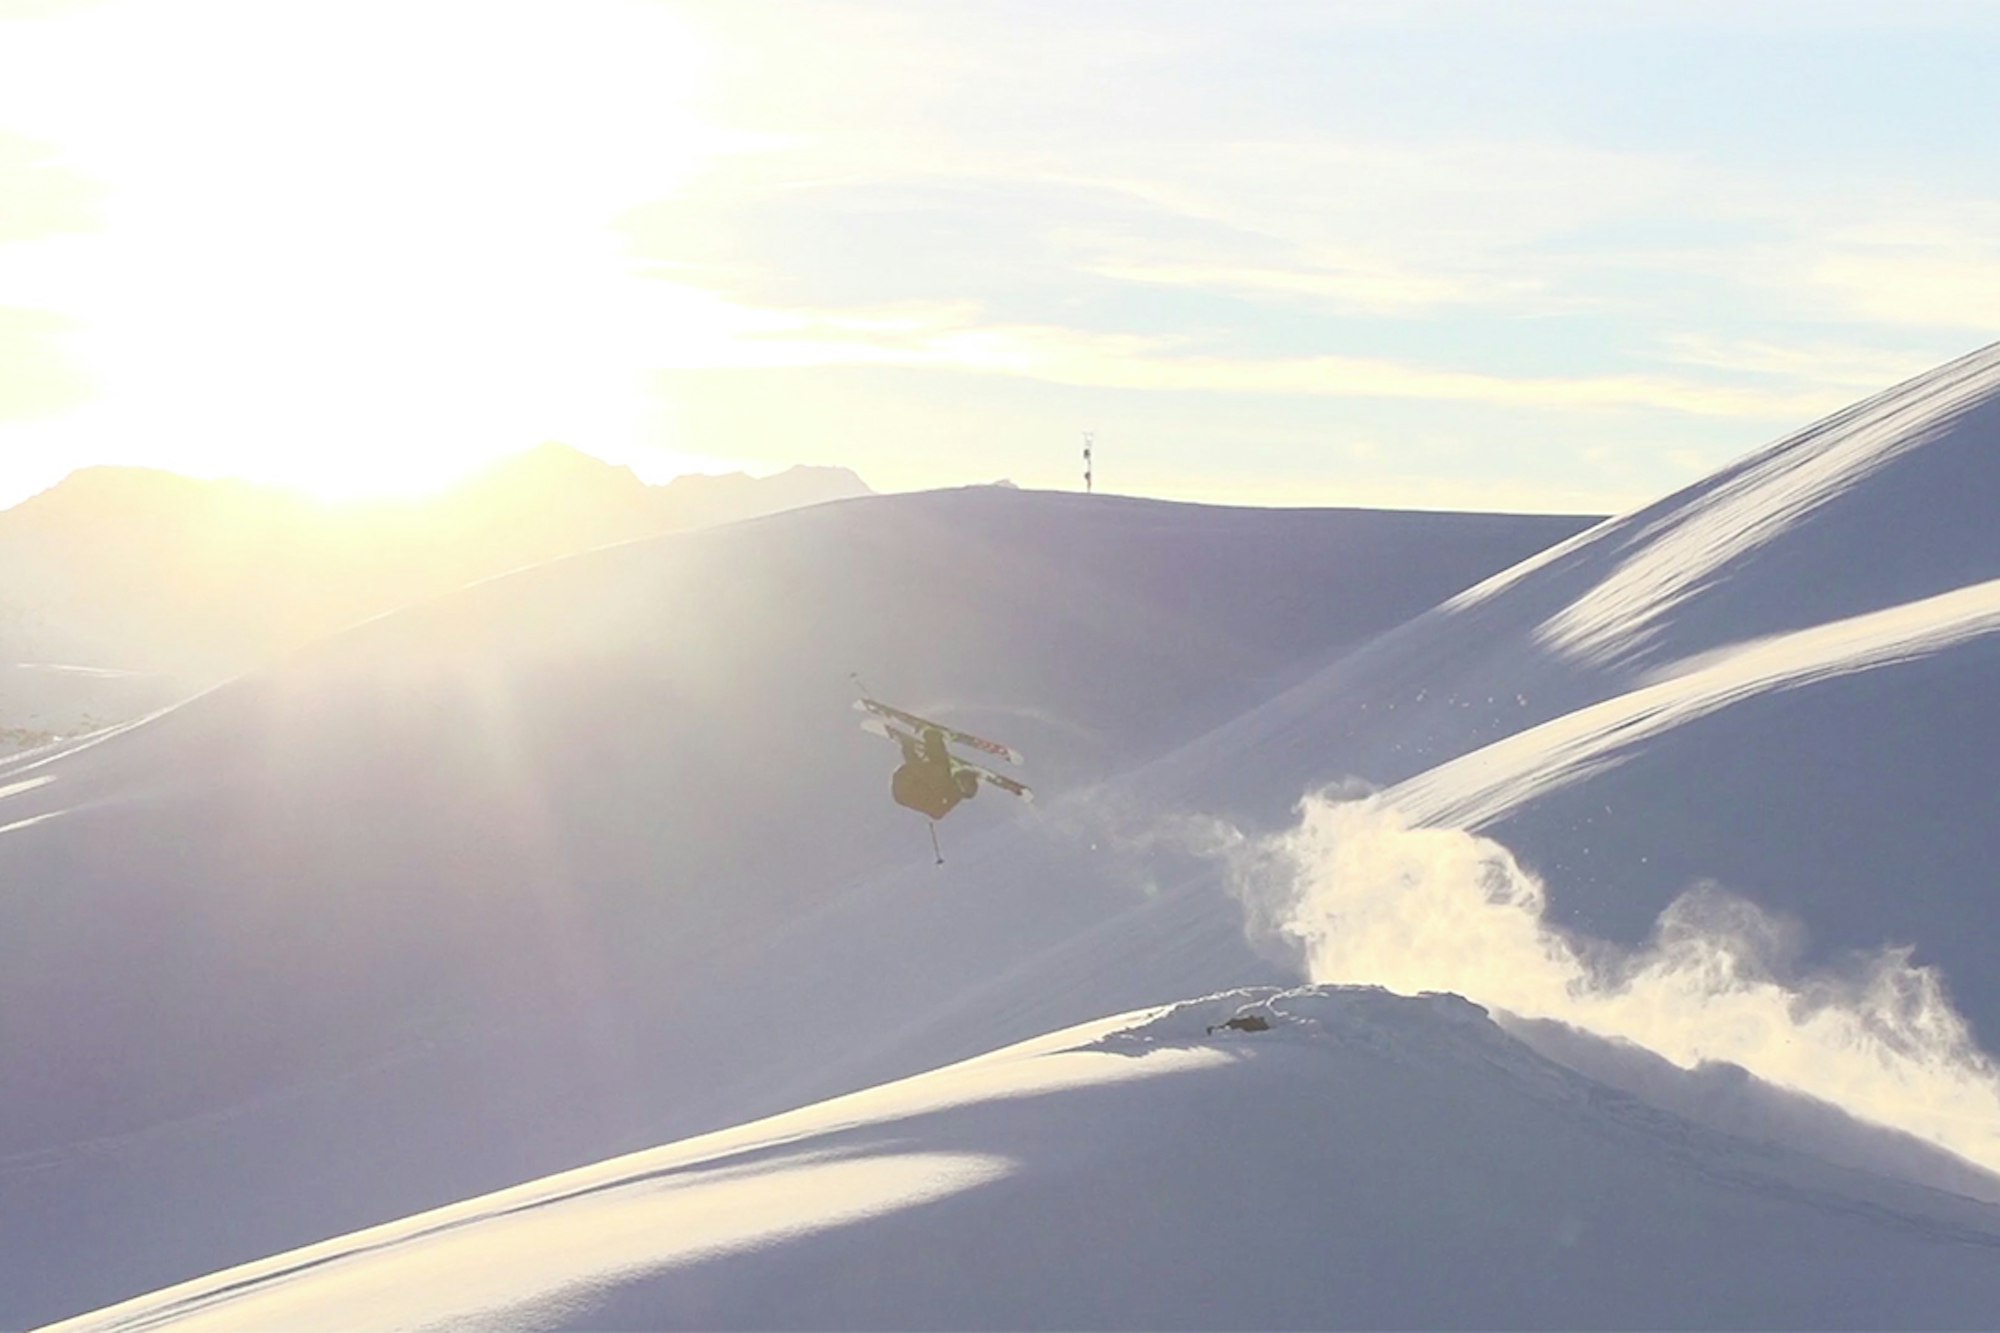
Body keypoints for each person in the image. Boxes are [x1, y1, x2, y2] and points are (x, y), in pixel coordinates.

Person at [889, 724, 978, 821]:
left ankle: (932, 738)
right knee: (940, 771)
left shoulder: (940, 799)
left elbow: (915, 766)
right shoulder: (947, 794)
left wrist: (907, 745)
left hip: (906, 786)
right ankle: (932, 741)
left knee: (939, 772)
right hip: (914, 784)